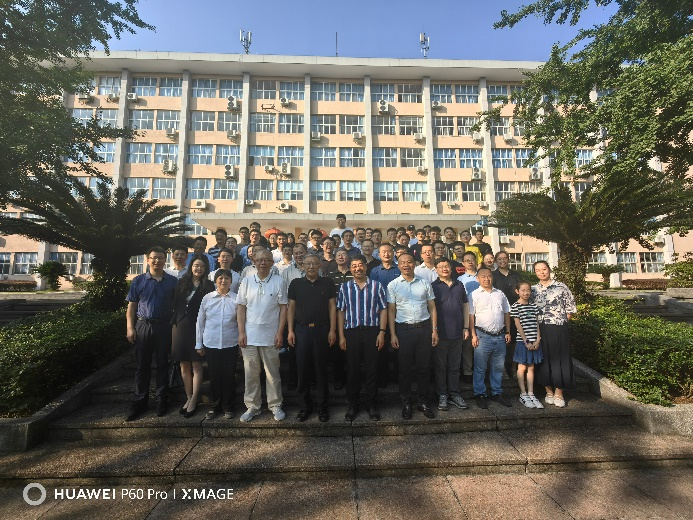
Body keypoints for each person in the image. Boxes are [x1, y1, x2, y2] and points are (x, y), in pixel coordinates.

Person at [125, 246, 178, 421]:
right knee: (142, 365)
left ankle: (162, 399)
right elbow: (131, 306)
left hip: (164, 326)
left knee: (163, 363)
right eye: (154, 258)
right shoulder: (138, 280)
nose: (157, 261)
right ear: (148, 260)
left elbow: (177, 306)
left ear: (165, 260)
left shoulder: (172, 281)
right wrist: (130, 328)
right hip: (143, 326)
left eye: (161, 257)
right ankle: (139, 401)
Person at [236, 248, 288, 422]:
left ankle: (275, 405)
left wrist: (280, 333)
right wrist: (241, 332)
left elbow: (283, 309)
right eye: (259, 260)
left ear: (272, 262)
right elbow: (241, 308)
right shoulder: (246, 281)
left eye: (267, 260)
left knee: (272, 373)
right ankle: (253, 406)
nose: (263, 263)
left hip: (271, 336)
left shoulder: (279, 281)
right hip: (250, 336)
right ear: (254, 262)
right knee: (251, 373)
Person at [388, 252, 438, 420]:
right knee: (404, 370)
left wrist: (434, 330)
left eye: (409, 262)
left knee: (424, 368)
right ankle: (406, 403)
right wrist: (393, 334)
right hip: (404, 331)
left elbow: (432, 307)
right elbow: (391, 311)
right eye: (402, 262)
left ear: (414, 264)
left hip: (424, 329)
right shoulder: (393, 285)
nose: (406, 265)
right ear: (398, 265)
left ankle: (423, 402)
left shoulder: (424, 283)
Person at [287, 254, 337, 422]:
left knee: (321, 369)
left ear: (320, 266)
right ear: (303, 266)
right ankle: (304, 407)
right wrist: (290, 330)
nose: (311, 266)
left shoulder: (328, 283)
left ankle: (322, 407)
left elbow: (332, 307)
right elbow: (291, 308)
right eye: (308, 263)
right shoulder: (296, 284)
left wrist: (332, 330)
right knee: (302, 370)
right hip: (301, 330)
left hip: (322, 329)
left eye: (314, 263)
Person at [338, 255, 388, 422]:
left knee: (372, 369)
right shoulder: (344, 287)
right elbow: (341, 312)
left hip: (372, 332)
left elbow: (383, 309)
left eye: (360, 265)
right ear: (350, 269)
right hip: (351, 332)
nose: (357, 268)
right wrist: (341, 335)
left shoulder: (377, 286)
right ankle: (353, 404)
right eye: (354, 266)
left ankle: (372, 404)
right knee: (352, 370)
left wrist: (382, 332)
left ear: (366, 267)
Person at [171, 255, 215, 418]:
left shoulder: (209, 285)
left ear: (206, 268)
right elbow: (175, 303)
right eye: (196, 265)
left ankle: (195, 398)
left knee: (196, 364)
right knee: (184, 364)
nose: (198, 268)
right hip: (181, 326)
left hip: (198, 327)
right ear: (191, 267)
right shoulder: (182, 282)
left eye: (202, 266)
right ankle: (188, 397)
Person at [531, 261, 577, 408]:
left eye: (544, 269)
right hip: (540, 328)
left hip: (558, 327)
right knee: (543, 359)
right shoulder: (533, 289)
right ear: (535, 273)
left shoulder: (561, 287)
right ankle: (548, 390)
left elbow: (570, 308)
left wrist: (561, 322)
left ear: (549, 269)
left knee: (560, 360)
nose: (541, 272)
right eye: (538, 270)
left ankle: (559, 392)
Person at [196, 269, 239, 420]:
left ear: (231, 281)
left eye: (227, 278)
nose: (223, 281)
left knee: (229, 377)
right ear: (215, 281)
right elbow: (200, 321)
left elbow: (241, 322)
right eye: (220, 278)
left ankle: (228, 407)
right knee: (214, 377)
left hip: (231, 343)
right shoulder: (207, 298)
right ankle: (213, 407)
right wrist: (198, 343)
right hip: (211, 343)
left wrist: (241, 343)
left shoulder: (236, 298)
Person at [469, 267, 512, 409]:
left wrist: (507, 331)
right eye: (483, 276)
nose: (486, 279)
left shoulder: (500, 294)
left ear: (492, 277)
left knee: (498, 367)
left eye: (489, 276)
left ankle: (497, 392)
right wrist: (473, 335)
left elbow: (506, 312)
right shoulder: (474, 295)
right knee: (480, 368)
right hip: (482, 336)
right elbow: (471, 316)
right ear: (478, 279)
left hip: (500, 335)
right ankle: (480, 394)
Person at [431, 257, 470, 411]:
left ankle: (454, 393)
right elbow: (430, 309)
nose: (444, 269)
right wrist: (433, 330)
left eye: (447, 266)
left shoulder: (459, 285)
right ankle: (442, 394)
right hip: (440, 333)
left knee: (454, 366)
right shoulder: (433, 286)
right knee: (440, 367)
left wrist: (465, 327)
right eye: (441, 266)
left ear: (451, 268)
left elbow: (465, 306)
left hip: (458, 332)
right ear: (436, 269)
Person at [369, 243, 401, 388]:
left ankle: (398, 376)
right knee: (381, 347)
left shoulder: (399, 269)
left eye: (389, 251)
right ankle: (382, 377)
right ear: (379, 254)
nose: (386, 254)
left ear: (393, 253)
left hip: (398, 312)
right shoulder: (375, 271)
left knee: (398, 346)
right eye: (383, 252)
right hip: (380, 312)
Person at [511, 281, 544, 409]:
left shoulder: (534, 306)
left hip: (534, 342)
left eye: (528, 290)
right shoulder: (515, 306)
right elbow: (517, 325)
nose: (526, 293)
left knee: (531, 367)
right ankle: (523, 394)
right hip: (522, 342)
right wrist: (526, 341)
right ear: (517, 291)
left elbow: (537, 324)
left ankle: (531, 393)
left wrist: (538, 339)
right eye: (523, 290)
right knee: (522, 367)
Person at [493, 251, 522, 376]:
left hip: (516, 311)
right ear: (496, 261)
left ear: (508, 260)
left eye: (505, 258)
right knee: (502, 341)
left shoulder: (515, 275)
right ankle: (503, 368)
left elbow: (521, 290)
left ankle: (514, 368)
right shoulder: (493, 275)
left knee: (516, 341)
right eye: (499, 259)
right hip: (500, 312)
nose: (502, 261)